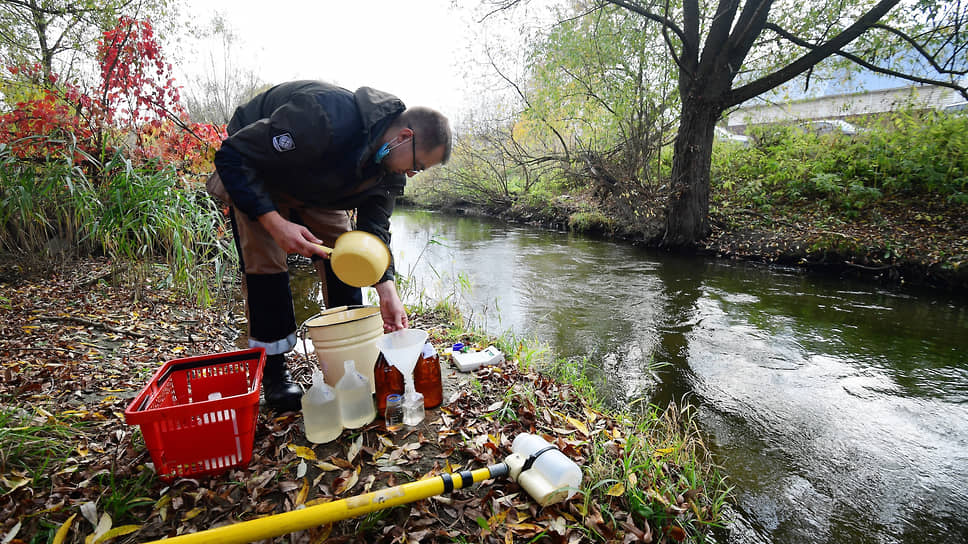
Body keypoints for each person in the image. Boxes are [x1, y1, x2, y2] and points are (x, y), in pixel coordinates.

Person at [207, 80, 452, 413]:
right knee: (265, 262)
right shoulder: (325, 116)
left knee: (348, 252)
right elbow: (233, 156)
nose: (411, 174)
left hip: (318, 188)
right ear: (404, 137)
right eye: (418, 165)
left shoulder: (389, 173)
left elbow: (374, 233)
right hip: (259, 167)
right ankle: (276, 374)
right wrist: (276, 224)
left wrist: (387, 289)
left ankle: (346, 361)